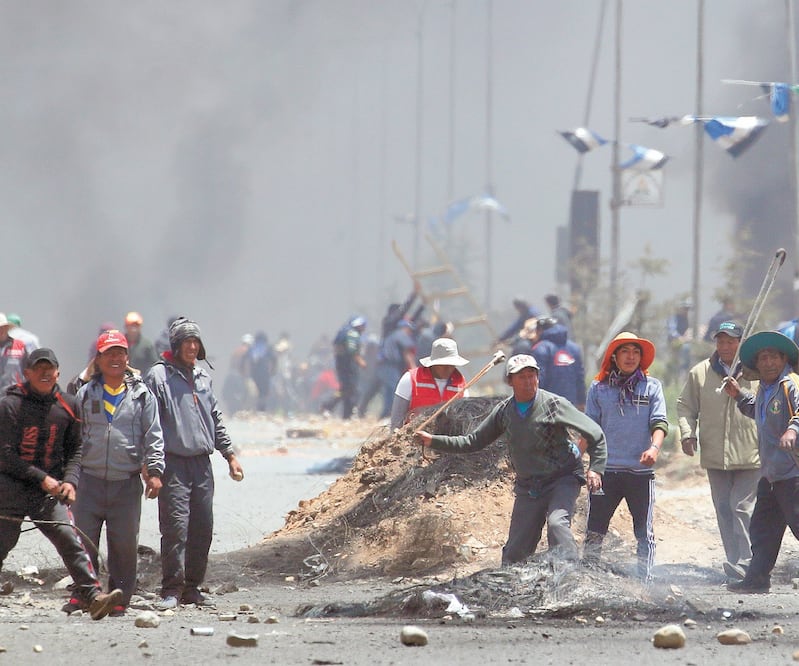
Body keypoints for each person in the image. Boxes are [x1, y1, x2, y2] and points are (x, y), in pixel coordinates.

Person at [417, 354, 606, 564]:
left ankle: (570, 572)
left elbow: (594, 432)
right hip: (529, 487)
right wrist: (433, 441)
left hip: (562, 479)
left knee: (557, 524)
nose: (528, 381)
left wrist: (596, 467)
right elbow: (472, 442)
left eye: (532, 375)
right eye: (522, 377)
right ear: (510, 381)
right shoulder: (504, 412)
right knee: (515, 552)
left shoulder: (553, 405)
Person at [0, 348, 122, 619]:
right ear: (27, 373)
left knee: (68, 537)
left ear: (58, 372)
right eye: (38, 368)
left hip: (50, 492)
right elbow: (4, 456)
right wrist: (41, 478)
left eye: (50, 368)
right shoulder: (10, 405)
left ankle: (93, 596)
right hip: (11, 489)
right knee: (3, 541)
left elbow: (75, 449)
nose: (45, 373)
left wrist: (70, 482)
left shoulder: (68, 405)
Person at [144, 317, 243, 609]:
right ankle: (171, 589)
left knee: (203, 527)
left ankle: (192, 588)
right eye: (186, 341)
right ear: (175, 345)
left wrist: (230, 455)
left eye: (195, 341)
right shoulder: (158, 378)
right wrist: (151, 468)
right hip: (172, 464)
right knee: (175, 528)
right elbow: (149, 424)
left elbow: (215, 418)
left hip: (201, 465)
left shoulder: (203, 378)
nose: (191, 346)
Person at [67, 330, 165, 617]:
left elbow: (154, 434)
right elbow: (71, 435)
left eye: (119, 352)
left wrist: (155, 471)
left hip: (126, 482)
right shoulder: (85, 393)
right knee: (83, 541)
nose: (115, 358)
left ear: (127, 357)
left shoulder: (141, 394)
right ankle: (85, 594)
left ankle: (120, 599)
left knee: (123, 544)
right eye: (108, 353)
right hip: (89, 480)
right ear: (97, 359)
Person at [676, 321, 760, 582]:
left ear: (740, 343)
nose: (725, 346)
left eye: (731, 341)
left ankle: (749, 562)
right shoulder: (700, 373)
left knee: (742, 507)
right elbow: (685, 406)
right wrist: (687, 434)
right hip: (715, 456)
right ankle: (734, 563)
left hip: (751, 454)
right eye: (721, 341)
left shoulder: (756, 373)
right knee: (723, 508)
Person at [583, 332, 668, 583]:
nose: (631, 357)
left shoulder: (652, 387)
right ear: (614, 357)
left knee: (644, 533)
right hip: (605, 471)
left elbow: (660, 422)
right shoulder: (598, 388)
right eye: (625, 351)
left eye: (636, 352)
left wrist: (654, 448)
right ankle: (588, 579)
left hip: (640, 473)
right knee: (594, 531)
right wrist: (587, 464)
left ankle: (646, 582)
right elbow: (590, 428)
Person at [723, 331, 799, 593]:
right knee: (763, 529)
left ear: (783, 359)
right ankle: (756, 580)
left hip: (793, 472)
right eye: (763, 358)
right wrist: (738, 394)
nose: (768, 362)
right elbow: (757, 410)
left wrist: (793, 431)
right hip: (771, 475)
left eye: (773, 357)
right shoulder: (765, 389)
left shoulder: (790, 384)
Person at [390, 337, 470, 430]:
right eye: (443, 365)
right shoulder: (410, 379)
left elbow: (465, 420)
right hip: (414, 437)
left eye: (451, 365)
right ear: (433, 364)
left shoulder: (461, 384)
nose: (448, 369)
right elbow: (396, 421)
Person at [531, 317, 586, 410]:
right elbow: (580, 378)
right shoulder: (574, 348)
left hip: (548, 408)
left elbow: (539, 380)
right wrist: (581, 401)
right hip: (571, 407)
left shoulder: (540, 348)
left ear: (539, 331)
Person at [328, 316, 367, 420]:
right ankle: (327, 406)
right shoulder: (353, 334)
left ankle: (346, 415)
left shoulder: (344, 332)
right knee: (350, 390)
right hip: (349, 366)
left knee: (347, 390)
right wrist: (361, 362)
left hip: (342, 365)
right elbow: (352, 350)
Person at [376, 319, 417, 419]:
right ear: (405, 328)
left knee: (388, 391)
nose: (410, 332)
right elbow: (407, 352)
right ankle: (390, 414)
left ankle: (385, 413)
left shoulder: (391, 335)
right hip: (390, 366)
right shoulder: (401, 335)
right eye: (409, 330)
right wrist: (414, 368)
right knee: (397, 390)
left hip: (383, 366)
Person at [243, 331, 276, 412]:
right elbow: (274, 359)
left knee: (256, 392)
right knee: (264, 392)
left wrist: (244, 372)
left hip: (254, 374)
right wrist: (273, 370)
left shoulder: (252, 348)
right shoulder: (267, 347)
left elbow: (244, 359)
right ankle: (262, 409)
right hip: (265, 374)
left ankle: (256, 408)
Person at [666, 299, 693, 384]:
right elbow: (671, 331)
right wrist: (680, 338)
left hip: (685, 342)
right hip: (674, 344)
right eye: (685, 309)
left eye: (687, 309)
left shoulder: (687, 319)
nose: (686, 311)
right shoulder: (674, 318)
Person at [0, 313, 27, 392]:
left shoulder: (20, 346)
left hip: (14, 393)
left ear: (7, 328)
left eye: (2, 327)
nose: (0, 330)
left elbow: (29, 370)